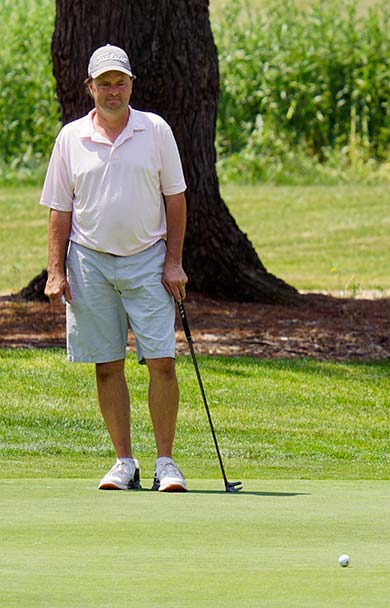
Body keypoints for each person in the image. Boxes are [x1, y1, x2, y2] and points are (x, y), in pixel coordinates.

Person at [41, 44, 190, 492]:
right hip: (88, 262)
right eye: (103, 83)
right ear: (90, 87)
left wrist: (174, 262)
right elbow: (59, 209)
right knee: (106, 365)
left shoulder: (156, 130)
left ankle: (166, 462)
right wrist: (55, 270)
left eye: (119, 82)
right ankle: (124, 462)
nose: (112, 91)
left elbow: (176, 199)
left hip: (147, 259)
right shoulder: (71, 138)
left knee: (161, 361)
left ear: (130, 85)